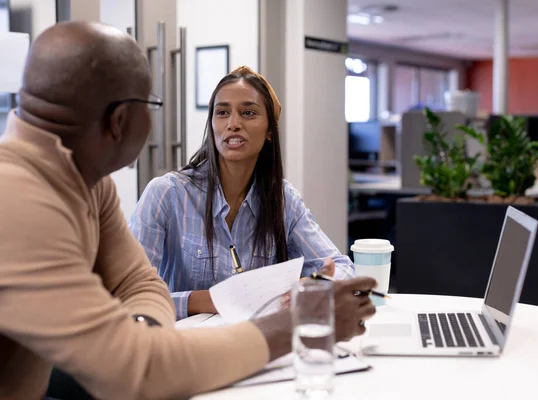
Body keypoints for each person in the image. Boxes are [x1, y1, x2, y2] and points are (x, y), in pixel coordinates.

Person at [0, 21, 377, 400]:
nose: (232, 125)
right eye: (152, 104)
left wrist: (144, 333)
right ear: (121, 120)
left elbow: (137, 283)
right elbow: (141, 370)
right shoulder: (18, 204)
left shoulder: (86, 183)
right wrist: (295, 323)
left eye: (248, 114)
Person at [128, 65, 355, 320]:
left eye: (248, 113)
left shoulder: (283, 200)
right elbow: (129, 295)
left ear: (270, 130)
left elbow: (343, 269)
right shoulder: (166, 194)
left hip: (257, 344)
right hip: (182, 347)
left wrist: (316, 287)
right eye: (222, 112)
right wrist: (206, 300)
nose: (233, 124)